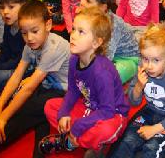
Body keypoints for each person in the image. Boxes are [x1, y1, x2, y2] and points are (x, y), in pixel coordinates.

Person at [0, 0, 70, 157]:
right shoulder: (29, 46)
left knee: (26, 110)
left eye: (34, 31)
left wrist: (3, 118)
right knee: (15, 100)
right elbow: (16, 76)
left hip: (64, 92)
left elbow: (30, 87)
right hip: (46, 85)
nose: (29, 38)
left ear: (48, 25)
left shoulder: (53, 47)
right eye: (24, 33)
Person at [40, 8, 130, 155]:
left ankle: (70, 141)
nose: (73, 35)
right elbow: (73, 91)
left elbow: (107, 111)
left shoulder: (102, 73)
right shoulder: (74, 59)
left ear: (96, 42)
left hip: (113, 114)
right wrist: (63, 112)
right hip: (89, 107)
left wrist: (79, 125)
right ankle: (81, 140)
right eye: (74, 29)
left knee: (105, 130)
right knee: (50, 106)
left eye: (81, 32)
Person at [110, 24, 165, 158]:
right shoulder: (142, 67)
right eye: (145, 58)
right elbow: (134, 102)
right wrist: (139, 86)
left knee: (151, 148)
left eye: (156, 60)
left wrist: (155, 129)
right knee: (127, 140)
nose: (149, 66)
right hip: (149, 111)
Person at [81, 0, 139, 83]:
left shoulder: (113, 25)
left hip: (128, 59)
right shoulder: (89, 17)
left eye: (87, 1)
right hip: (111, 55)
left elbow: (107, 55)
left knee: (109, 76)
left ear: (103, 7)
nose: (82, 2)